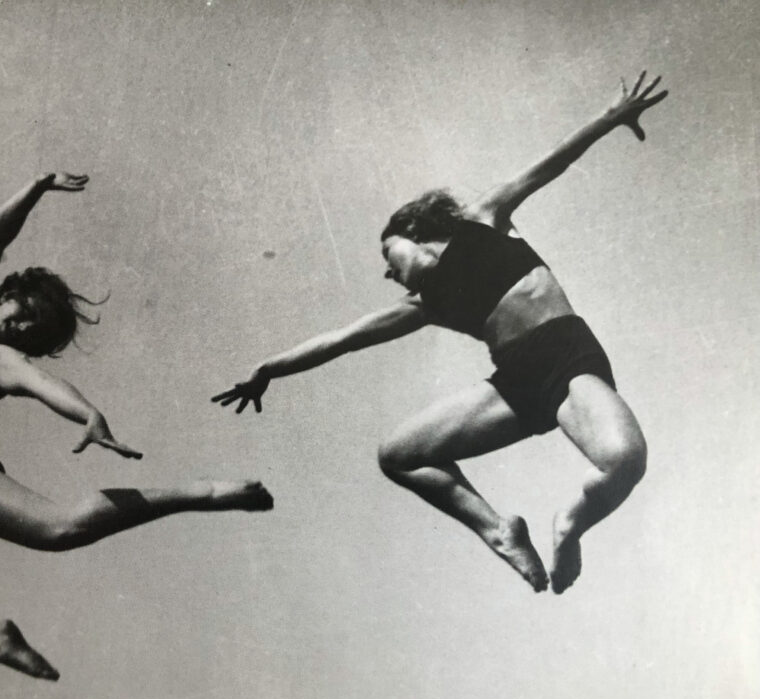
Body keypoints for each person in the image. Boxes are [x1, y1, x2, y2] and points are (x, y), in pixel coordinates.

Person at [215, 73, 667, 594]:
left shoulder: (483, 218)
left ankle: (572, 523)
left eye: (389, 257)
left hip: (566, 360)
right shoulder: (425, 305)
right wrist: (269, 368)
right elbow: (342, 338)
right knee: (398, 455)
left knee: (625, 461)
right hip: (516, 386)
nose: (387, 273)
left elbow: (552, 162)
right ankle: (498, 530)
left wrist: (612, 117)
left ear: (414, 233)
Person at [0, 173, 272, 680]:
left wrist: (87, 414)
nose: (24, 326)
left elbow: (35, 380)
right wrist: (36, 187)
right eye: (28, 311)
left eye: (35, 330)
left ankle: (204, 492)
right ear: (11, 293)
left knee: (59, 527)